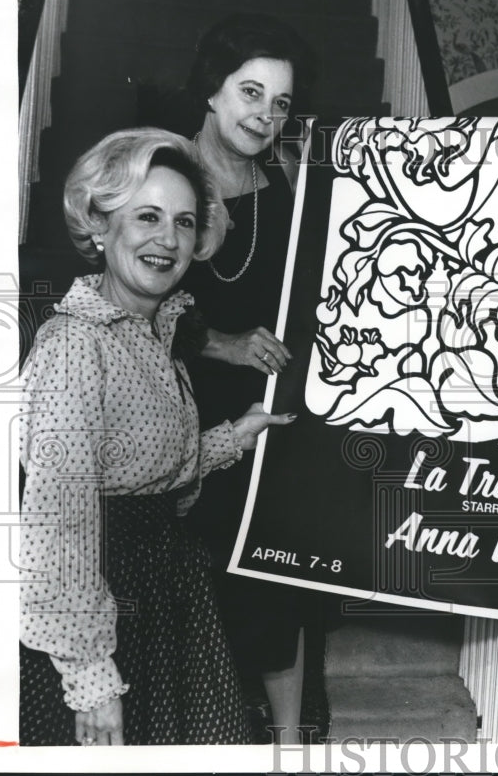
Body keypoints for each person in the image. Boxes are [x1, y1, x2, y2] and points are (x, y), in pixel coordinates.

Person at [19, 128, 296, 745]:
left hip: (165, 599)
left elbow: (151, 464)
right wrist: (91, 680)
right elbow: (58, 525)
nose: (167, 239)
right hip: (104, 612)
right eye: (146, 216)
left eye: (184, 221)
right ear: (100, 226)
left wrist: (237, 435)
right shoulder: (74, 345)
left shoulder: (151, 335)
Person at [178, 13, 321, 742]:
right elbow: (129, 304)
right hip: (184, 415)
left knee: (275, 585)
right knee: (198, 596)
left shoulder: (282, 184)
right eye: (251, 92)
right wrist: (225, 344)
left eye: (281, 104)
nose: (266, 115)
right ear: (213, 90)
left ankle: (290, 742)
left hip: (268, 417)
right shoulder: (161, 175)